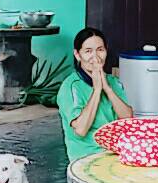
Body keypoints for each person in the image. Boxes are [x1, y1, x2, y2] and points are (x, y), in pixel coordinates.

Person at [57, 27, 134, 161]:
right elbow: (81, 130)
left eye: (100, 50)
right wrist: (97, 90)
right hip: (86, 157)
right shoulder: (70, 86)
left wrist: (107, 89)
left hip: (116, 153)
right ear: (77, 55)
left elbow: (128, 118)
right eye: (88, 51)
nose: (96, 57)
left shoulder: (113, 82)